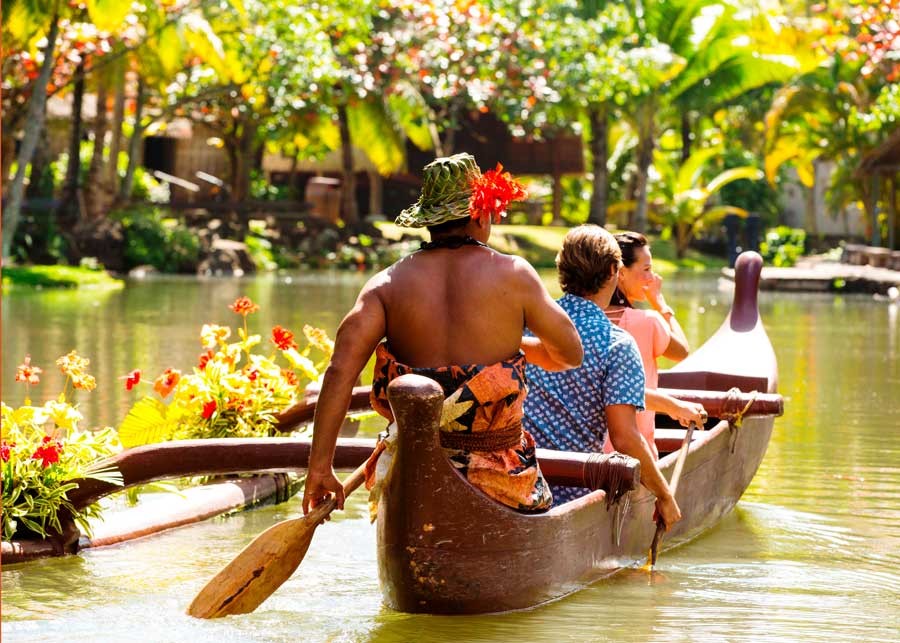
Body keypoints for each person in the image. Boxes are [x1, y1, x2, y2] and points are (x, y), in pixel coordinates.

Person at [302, 154, 583, 515]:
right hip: (501, 479)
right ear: (482, 213)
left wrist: (320, 468)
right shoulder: (515, 276)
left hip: (413, 472)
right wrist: (507, 356)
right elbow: (570, 353)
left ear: (428, 222)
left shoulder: (385, 286)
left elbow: (339, 371)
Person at [522, 225, 681, 529]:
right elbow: (624, 438)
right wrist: (664, 494)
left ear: (562, 271)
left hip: (518, 479)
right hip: (571, 492)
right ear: (613, 272)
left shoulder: (529, 325)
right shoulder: (617, 344)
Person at [603, 231, 705, 458]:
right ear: (620, 273)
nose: (653, 278)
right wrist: (661, 305)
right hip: (635, 453)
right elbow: (681, 351)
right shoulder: (647, 321)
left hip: (587, 449)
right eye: (646, 269)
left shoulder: (581, 319)